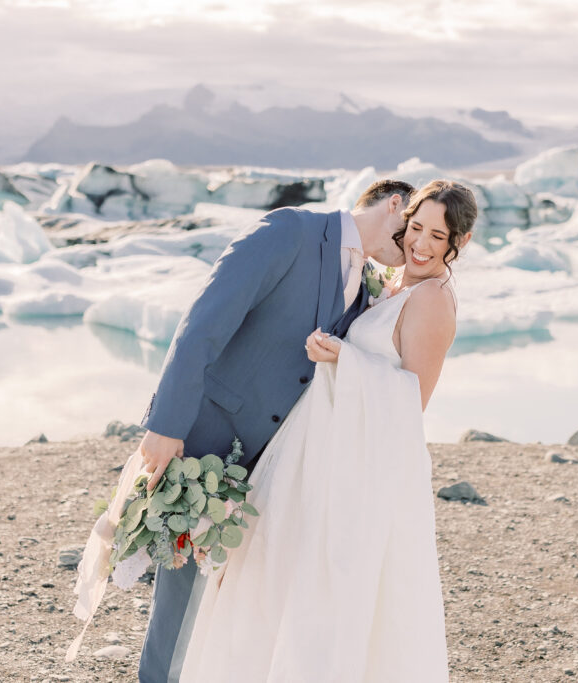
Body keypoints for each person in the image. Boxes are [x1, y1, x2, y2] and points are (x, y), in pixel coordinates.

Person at [177, 179, 478, 682]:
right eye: (416, 228)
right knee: (280, 580)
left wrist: (348, 359)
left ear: (458, 244)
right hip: (322, 452)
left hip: (358, 471)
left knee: (325, 592)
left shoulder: (432, 300)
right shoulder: (399, 285)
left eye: (437, 237)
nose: (420, 245)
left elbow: (411, 404)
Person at [135, 179, 415, 683]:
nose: (413, 242)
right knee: (180, 599)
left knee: (241, 598)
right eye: (410, 227)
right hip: (209, 441)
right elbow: (203, 322)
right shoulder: (291, 231)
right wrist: (167, 424)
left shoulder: (367, 281)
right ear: (393, 203)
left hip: (280, 461)